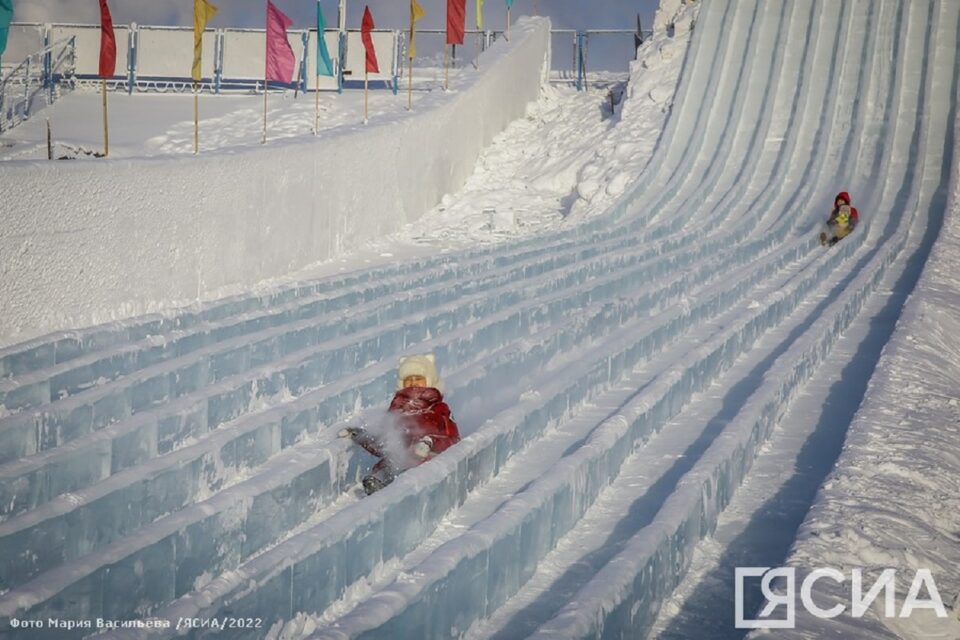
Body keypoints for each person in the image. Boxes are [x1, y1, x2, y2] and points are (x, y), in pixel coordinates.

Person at [339, 354, 460, 495]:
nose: (413, 383)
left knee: (411, 470)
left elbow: (453, 439)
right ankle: (378, 483)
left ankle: (396, 483)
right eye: (409, 380)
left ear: (429, 381)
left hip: (425, 461)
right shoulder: (396, 411)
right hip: (396, 462)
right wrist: (361, 436)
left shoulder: (439, 409)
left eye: (418, 379)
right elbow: (385, 443)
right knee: (387, 466)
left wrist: (430, 442)